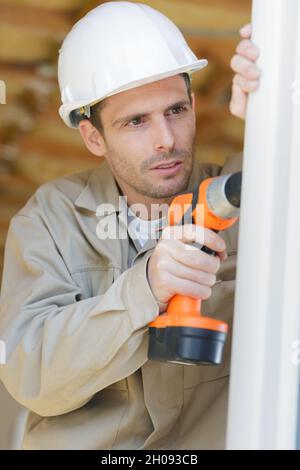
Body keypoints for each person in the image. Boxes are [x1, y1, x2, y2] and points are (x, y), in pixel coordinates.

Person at [0, 2, 260, 450]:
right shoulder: (50, 221)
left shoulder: (251, 195)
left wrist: (277, 115)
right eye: (136, 121)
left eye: (176, 110)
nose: (166, 138)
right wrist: (146, 288)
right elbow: (31, 373)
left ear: (195, 104)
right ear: (94, 137)